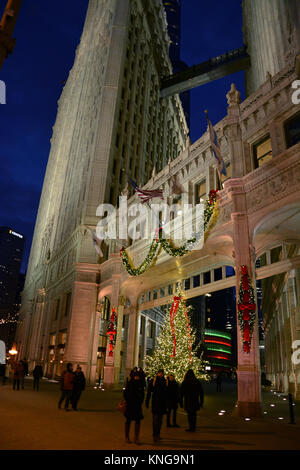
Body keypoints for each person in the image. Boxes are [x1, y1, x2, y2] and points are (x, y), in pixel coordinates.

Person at [146, 369, 168, 442]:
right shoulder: (154, 380)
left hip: (162, 403)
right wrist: (147, 401)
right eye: (159, 373)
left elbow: (166, 391)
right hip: (156, 403)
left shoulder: (164, 381)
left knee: (160, 421)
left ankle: (158, 434)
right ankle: (155, 435)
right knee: (156, 420)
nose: (160, 374)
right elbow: (149, 391)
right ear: (158, 373)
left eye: (161, 373)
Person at [123, 371, 145, 444]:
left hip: (137, 405)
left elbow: (142, 394)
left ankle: (136, 438)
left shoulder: (140, 384)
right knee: (128, 421)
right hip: (130, 405)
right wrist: (128, 400)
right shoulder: (130, 383)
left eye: (138, 376)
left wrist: (140, 400)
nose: (137, 377)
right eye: (135, 376)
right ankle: (127, 437)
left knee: (138, 421)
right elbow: (125, 393)